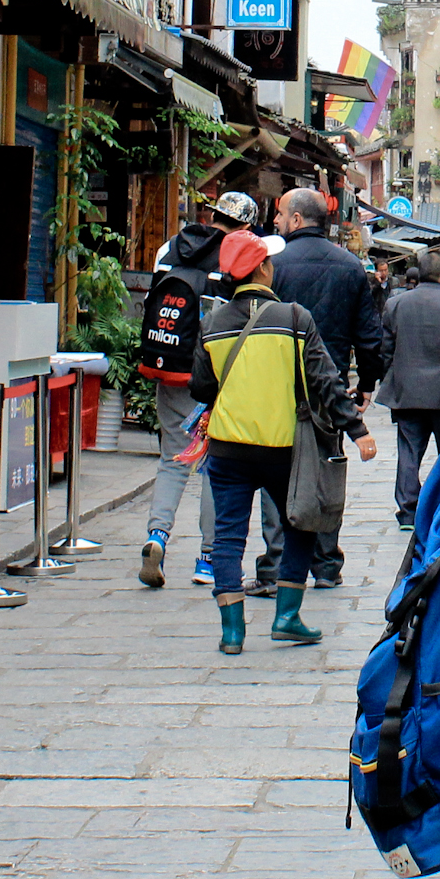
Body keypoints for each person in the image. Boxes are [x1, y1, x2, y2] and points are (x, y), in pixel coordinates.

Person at [189, 230, 376, 655]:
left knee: (228, 536)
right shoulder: (294, 318)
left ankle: (232, 631)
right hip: (283, 450)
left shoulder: (212, 324)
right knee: (301, 525)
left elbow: (202, 387)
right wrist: (358, 431)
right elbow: (325, 381)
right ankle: (287, 617)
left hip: (227, 448)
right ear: (261, 270)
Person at [263, 186, 388, 590]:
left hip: (276, 381)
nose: (277, 221)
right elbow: (369, 335)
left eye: (281, 215)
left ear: (296, 219)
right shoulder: (350, 266)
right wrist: (365, 383)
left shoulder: (274, 266)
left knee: (277, 467)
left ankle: (277, 561)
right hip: (327, 385)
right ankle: (326, 562)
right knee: (326, 468)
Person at [135, 189, 257, 591]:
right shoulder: (235, 252)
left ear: (212, 213)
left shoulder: (171, 245)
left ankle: (157, 536)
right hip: (213, 373)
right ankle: (208, 557)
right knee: (212, 465)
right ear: (244, 225)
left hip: (168, 367)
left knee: (173, 458)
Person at [378, 247, 440, 529]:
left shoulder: (396, 304)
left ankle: (407, 511)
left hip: (407, 391)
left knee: (408, 452)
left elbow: (385, 350)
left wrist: (391, 377)